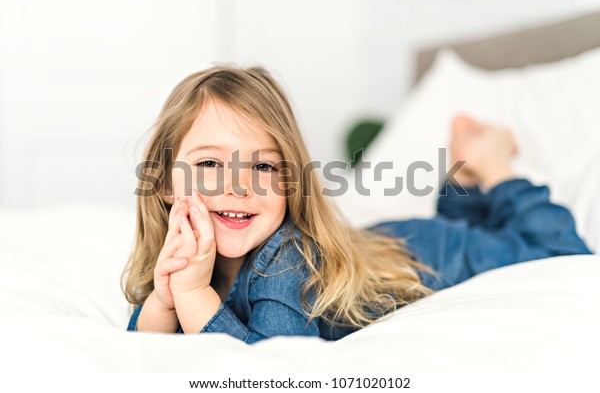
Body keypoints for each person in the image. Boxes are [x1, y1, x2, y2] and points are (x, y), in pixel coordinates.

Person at [122, 66, 591, 343]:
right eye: (209, 164)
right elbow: (141, 352)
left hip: (428, 255)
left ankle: (489, 164)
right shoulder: (180, 251)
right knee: (478, 230)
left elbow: (271, 373)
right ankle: (462, 179)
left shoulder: (283, 259)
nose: (238, 187)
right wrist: (164, 299)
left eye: (264, 168)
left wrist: (192, 298)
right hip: (382, 247)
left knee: (558, 250)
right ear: (164, 181)